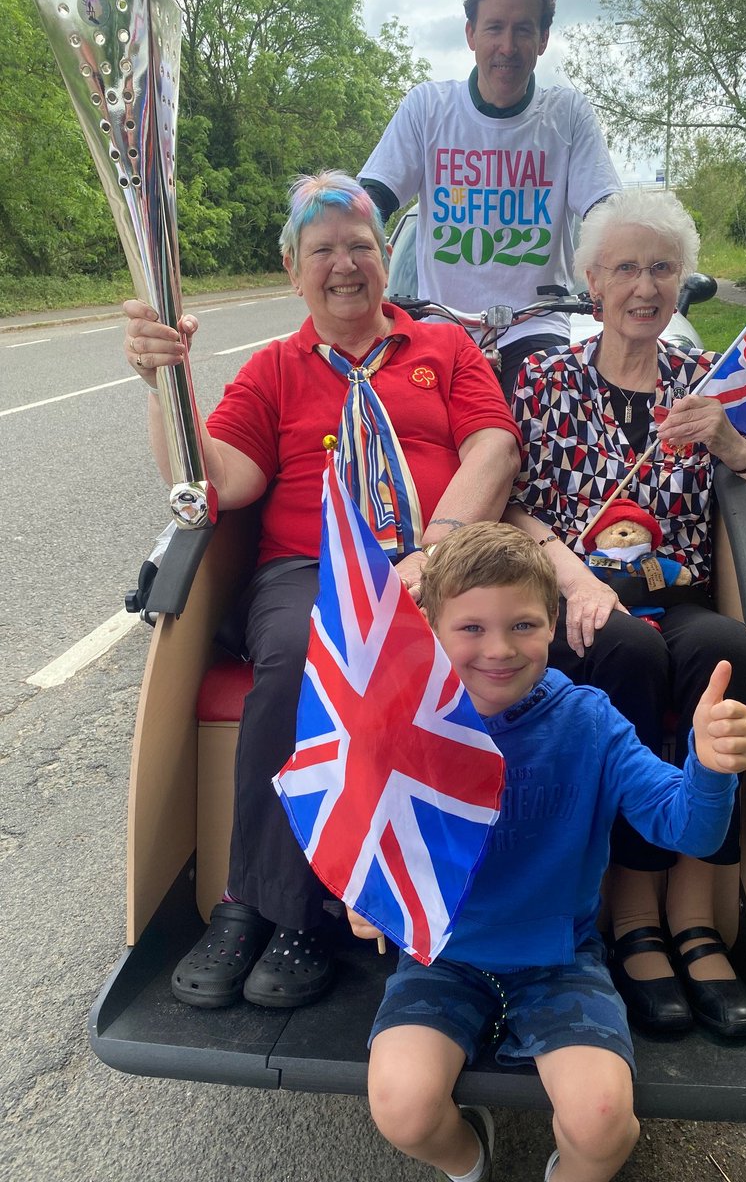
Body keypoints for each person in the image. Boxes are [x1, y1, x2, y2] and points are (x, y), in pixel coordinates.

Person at [122, 171, 522, 1009]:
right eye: (322, 250)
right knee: (310, 646)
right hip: (310, 566)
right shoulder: (273, 369)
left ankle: (469, 899)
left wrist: (433, 554)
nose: (344, 264)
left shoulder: (446, 351)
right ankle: (266, 906)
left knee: (503, 651)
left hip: (434, 560)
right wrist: (168, 385)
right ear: (292, 269)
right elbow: (218, 478)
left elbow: (493, 448)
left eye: (360, 246)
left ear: (385, 259)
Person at [348, 522, 746, 1182]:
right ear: (430, 627)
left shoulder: (588, 721)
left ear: (553, 625)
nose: (500, 650)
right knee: (404, 1109)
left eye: (524, 626)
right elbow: (361, 831)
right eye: (471, 628)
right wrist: (365, 897)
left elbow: (691, 832)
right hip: (443, 961)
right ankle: (468, 1160)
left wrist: (708, 769)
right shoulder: (403, 724)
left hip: (559, 961)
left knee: (602, 1123)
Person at [506, 188, 746, 1038]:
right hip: (575, 597)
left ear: (682, 282)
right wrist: (571, 575)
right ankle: (635, 909)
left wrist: (731, 444)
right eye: (627, 268)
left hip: (674, 594)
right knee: (626, 656)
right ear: (593, 284)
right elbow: (514, 504)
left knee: (727, 653)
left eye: (663, 269)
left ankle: (696, 910)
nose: (646, 286)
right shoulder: (544, 379)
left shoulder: (705, 387)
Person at [359, 0, 620, 399]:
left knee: (548, 418)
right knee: (418, 431)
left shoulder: (567, 116)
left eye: (523, 30)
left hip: (535, 327)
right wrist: (344, 253)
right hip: (443, 328)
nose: (508, 46)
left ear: (543, 39)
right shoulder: (428, 109)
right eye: (494, 27)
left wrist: (622, 269)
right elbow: (368, 203)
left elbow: (607, 216)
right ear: (470, 34)